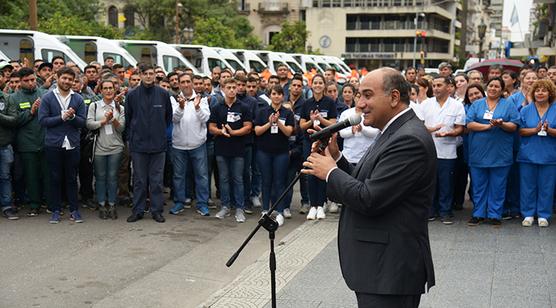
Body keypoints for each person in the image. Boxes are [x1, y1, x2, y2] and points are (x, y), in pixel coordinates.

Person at [302, 67, 435, 307]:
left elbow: (370, 198)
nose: (360, 103)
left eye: (367, 95)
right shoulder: (393, 130)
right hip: (379, 269)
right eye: (359, 96)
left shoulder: (409, 139)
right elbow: (366, 182)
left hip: (390, 271)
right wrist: (336, 157)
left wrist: (329, 172)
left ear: (394, 97)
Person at [465, 77, 520, 226]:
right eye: (491, 85)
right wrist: (488, 127)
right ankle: (478, 213)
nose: (493, 88)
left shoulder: (508, 105)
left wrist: (501, 124)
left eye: (497, 86)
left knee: (498, 185)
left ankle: (494, 214)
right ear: (486, 87)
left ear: (502, 90)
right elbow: (469, 123)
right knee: (479, 185)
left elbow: (514, 126)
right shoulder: (476, 104)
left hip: (500, 153)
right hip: (479, 153)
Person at [38, 67, 87, 224]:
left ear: (74, 81)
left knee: (72, 178)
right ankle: (56, 210)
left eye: (70, 79)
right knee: (55, 178)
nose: (67, 81)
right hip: (53, 144)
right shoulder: (47, 98)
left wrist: (72, 117)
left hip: (72, 143)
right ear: (57, 78)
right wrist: (61, 117)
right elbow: (43, 121)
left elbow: (82, 122)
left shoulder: (78, 99)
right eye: (64, 78)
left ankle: (74, 210)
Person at [125, 64, 173, 223]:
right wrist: (132, 139)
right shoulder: (132, 95)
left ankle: (157, 210)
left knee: (157, 181)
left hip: (158, 145)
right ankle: (138, 210)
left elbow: (168, 118)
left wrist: (161, 135)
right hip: (138, 146)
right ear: (140, 74)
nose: (148, 76)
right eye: (145, 73)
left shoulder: (163, 94)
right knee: (139, 180)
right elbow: (128, 118)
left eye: (151, 73)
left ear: (155, 75)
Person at [420, 76, 465, 224]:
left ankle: (446, 211)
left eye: (439, 85)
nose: (436, 88)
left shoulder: (457, 105)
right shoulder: (426, 104)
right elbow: (418, 125)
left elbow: (460, 128)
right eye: (434, 85)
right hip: (428, 151)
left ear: (448, 87)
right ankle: (430, 211)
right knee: (429, 183)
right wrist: (431, 129)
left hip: (448, 150)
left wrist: (449, 133)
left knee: (446, 183)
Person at [208, 78, 252, 223]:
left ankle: (239, 208)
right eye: (229, 87)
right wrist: (221, 132)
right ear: (223, 89)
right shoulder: (217, 107)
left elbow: (248, 127)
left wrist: (234, 133)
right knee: (224, 179)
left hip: (238, 149)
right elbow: (211, 127)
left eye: (234, 87)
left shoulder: (243, 107)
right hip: (221, 149)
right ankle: (225, 206)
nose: (232, 90)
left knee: (238, 179)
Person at [169, 73, 211, 217]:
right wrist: (181, 107)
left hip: (197, 144)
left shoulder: (202, 99)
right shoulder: (173, 99)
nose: (186, 84)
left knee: (202, 176)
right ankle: (179, 202)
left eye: (188, 82)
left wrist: (198, 107)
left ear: (192, 83)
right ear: (179, 84)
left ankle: (202, 204)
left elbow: (206, 118)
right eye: (183, 82)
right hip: (178, 145)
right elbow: (173, 119)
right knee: (178, 176)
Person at [517, 80, 556, 227]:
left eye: (544, 90)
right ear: (533, 93)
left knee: (547, 186)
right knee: (527, 186)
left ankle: (543, 215)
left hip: (549, 155)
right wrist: (534, 130)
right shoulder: (526, 110)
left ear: (550, 93)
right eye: (537, 90)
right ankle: (528, 214)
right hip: (528, 155)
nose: (540, 93)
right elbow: (520, 130)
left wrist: (549, 130)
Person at [254, 85, 294, 226]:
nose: (277, 96)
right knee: (266, 181)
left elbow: (289, 132)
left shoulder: (287, 113)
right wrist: (269, 123)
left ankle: (280, 210)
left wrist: (278, 123)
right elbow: (257, 131)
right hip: (264, 152)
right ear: (270, 95)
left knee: (279, 182)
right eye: (274, 94)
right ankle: (265, 210)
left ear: (283, 96)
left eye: (279, 94)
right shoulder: (262, 111)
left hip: (281, 152)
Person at [299, 74, 337, 220]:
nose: (318, 85)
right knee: (310, 174)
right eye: (315, 82)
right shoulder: (306, 103)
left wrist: (320, 119)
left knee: (321, 174)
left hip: (324, 143)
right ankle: (312, 205)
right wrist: (311, 121)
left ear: (324, 86)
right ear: (311, 85)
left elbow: (333, 124)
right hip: (309, 142)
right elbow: (302, 126)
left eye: (321, 83)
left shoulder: (330, 103)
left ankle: (320, 205)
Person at [11, 68, 48, 217]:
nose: (31, 83)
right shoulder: (14, 98)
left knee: (47, 175)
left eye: (32, 79)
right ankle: (34, 204)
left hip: (45, 140)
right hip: (26, 143)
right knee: (31, 176)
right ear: (20, 82)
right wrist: (31, 112)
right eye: (26, 80)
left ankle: (50, 202)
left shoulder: (45, 95)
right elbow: (14, 121)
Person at [0, 72, 18, 220]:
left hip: (4, 145)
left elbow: (13, 120)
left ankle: (6, 206)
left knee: (5, 177)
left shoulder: (7, 98)